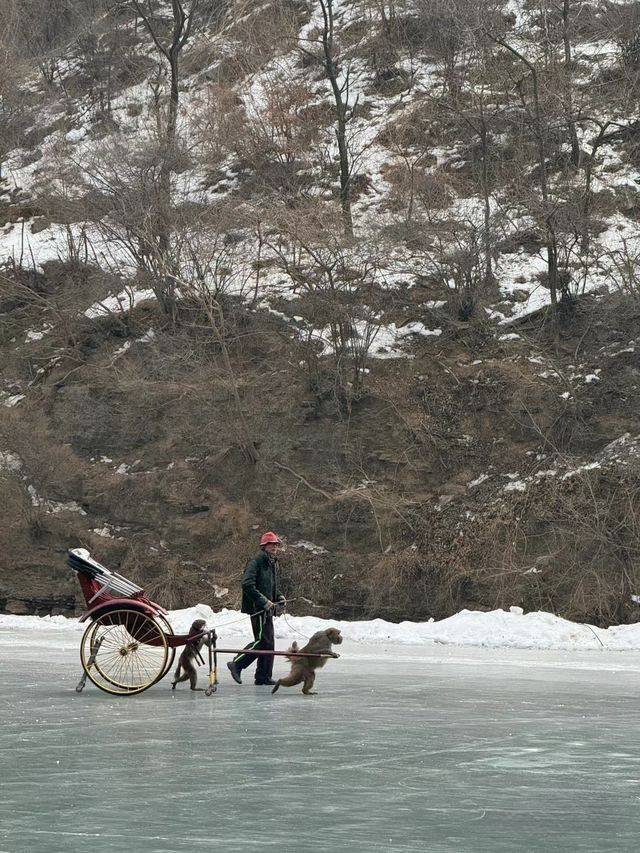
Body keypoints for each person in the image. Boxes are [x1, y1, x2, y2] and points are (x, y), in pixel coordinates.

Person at [227, 531, 286, 686]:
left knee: (269, 643)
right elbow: (247, 584)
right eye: (272, 544)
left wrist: (279, 597)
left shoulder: (272, 563)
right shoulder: (256, 561)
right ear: (264, 546)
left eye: (276, 545)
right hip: (258, 609)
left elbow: (272, 586)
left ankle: (263, 676)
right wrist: (263, 601)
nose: (275, 547)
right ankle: (237, 663)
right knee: (262, 641)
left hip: (268, 610)